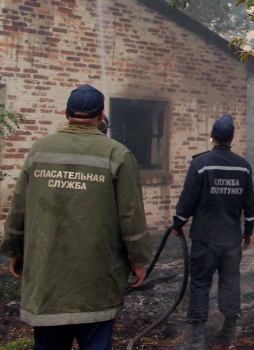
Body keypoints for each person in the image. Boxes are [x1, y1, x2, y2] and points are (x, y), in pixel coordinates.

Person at [0, 84, 152, 349]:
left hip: (48, 280)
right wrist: (138, 260)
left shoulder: (39, 150)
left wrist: (14, 249)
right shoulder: (117, 154)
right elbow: (131, 216)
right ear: (101, 115)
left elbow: (19, 207)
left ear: (65, 112)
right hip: (96, 282)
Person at [172, 114, 254, 348]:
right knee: (230, 281)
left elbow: (187, 199)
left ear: (211, 136)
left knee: (200, 283)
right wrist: (248, 231)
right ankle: (228, 333)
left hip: (205, 238)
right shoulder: (244, 167)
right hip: (231, 239)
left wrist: (178, 224)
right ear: (232, 138)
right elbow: (249, 206)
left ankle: (196, 340)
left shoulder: (200, 164)